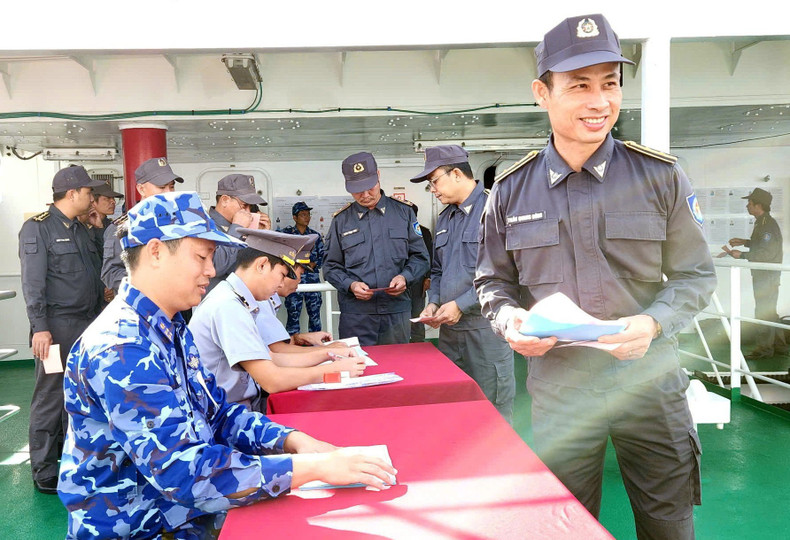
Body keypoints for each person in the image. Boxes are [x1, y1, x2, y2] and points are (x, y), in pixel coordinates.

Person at [474, 14, 717, 539]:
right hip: (562, 386)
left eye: (610, 84)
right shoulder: (511, 191)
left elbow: (696, 275)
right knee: (565, 526)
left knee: (669, 523)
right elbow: (492, 282)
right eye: (579, 85)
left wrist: (652, 324)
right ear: (543, 92)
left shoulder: (659, 176)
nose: (599, 101)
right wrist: (510, 318)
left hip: (649, 382)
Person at [58, 191, 396, 539]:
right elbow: (184, 474)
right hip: (139, 529)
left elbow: (217, 414)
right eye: (202, 256)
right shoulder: (121, 347)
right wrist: (309, 468)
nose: (211, 270)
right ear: (156, 252)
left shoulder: (169, 327)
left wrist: (293, 441)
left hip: (180, 520)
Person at [190, 228, 365, 412]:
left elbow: (271, 358)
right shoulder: (228, 306)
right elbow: (272, 380)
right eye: (281, 274)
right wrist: (334, 370)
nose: (281, 284)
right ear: (262, 265)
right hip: (225, 416)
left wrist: (329, 355)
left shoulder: (235, 299)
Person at [18, 164, 105, 494]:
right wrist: (40, 328)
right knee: (51, 396)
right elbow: (33, 282)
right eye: (88, 192)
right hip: (54, 329)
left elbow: (93, 274)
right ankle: (43, 466)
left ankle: (73, 458)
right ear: (72, 194)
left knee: (80, 395)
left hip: (85, 325)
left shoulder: (82, 229)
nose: (92, 196)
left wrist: (97, 230)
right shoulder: (37, 229)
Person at [412, 145, 515, 422]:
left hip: (485, 332)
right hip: (450, 334)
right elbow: (438, 269)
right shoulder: (445, 218)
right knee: (455, 409)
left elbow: (507, 274)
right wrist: (433, 302)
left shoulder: (495, 209)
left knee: (492, 411)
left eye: (434, 181)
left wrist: (461, 303)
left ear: (456, 173)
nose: (432, 189)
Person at [323, 152, 430, 346]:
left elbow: (421, 258)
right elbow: (330, 267)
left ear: (378, 175)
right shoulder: (341, 221)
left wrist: (405, 277)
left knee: (399, 368)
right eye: (357, 190)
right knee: (358, 369)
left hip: (396, 313)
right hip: (356, 316)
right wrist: (350, 285)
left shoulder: (404, 213)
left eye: (369, 187)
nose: (365, 195)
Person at [101, 157, 183, 293]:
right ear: (141, 189)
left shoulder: (178, 222)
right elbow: (110, 273)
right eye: (162, 187)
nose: (168, 193)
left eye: (171, 186)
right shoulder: (122, 227)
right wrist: (150, 282)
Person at [721, 187, 786, 359]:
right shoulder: (762, 222)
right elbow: (762, 246)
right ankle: (779, 346)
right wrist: (745, 242)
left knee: (764, 310)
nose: (747, 206)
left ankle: (764, 350)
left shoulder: (767, 225)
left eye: (749, 203)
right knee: (769, 310)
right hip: (765, 275)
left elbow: (767, 253)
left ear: (759, 205)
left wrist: (742, 254)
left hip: (766, 276)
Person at [207, 173, 271, 293]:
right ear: (225, 200)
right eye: (244, 205)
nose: (248, 212)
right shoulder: (204, 225)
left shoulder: (239, 227)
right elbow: (217, 266)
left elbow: (254, 267)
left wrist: (261, 237)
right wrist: (237, 228)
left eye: (251, 207)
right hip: (218, 304)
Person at [280, 201, 326, 335]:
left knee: (315, 315)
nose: (307, 217)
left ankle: (317, 345)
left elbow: (322, 255)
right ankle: (293, 344)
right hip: (293, 280)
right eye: (303, 214)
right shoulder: (287, 234)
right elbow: (282, 254)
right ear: (294, 217)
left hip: (312, 280)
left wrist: (312, 264)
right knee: (293, 314)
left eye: (308, 214)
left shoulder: (315, 235)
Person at [406, 202, 433, 343]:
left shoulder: (424, 232)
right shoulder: (397, 230)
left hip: (418, 281)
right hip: (399, 282)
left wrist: (428, 278)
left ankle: (418, 342)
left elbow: (430, 256)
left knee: (417, 312)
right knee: (401, 316)